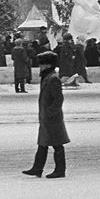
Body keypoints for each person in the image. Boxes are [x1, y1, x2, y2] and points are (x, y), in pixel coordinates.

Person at [22, 51, 69, 179]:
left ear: (47, 65)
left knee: (56, 144)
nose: (40, 67)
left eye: (42, 64)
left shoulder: (52, 78)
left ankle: (59, 170)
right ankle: (37, 168)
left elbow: (58, 99)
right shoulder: (48, 77)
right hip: (47, 117)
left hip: (51, 117)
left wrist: (50, 112)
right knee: (43, 143)